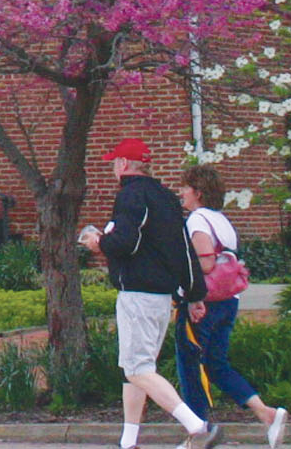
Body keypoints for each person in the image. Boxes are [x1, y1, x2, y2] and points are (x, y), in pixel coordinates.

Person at [79, 138, 221, 449]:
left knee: (138, 368)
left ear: (124, 165)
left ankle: (198, 427)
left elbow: (125, 243)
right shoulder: (166, 198)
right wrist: (195, 293)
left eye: (115, 162)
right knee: (135, 370)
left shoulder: (131, 195)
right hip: (161, 296)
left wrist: (98, 242)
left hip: (137, 294)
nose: (114, 168)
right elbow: (182, 250)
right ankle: (128, 441)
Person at [177, 165, 288, 449]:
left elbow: (205, 264)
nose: (181, 193)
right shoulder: (222, 220)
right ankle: (266, 413)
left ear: (198, 192)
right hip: (228, 301)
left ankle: (198, 434)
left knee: (191, 367)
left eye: (185, 188)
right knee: (217, 365)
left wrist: (187, 291)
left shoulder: (197, 220)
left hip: (203, 304)